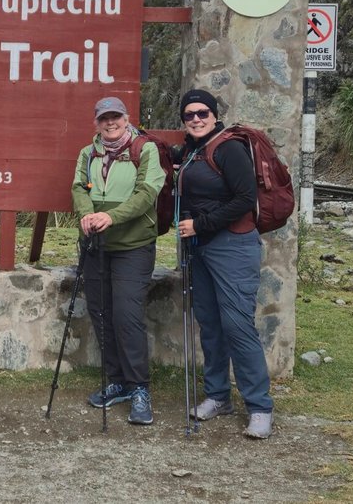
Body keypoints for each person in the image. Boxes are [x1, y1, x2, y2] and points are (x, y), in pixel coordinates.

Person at [174, 89, 275, 439]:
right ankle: (218, 396)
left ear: (215, 115)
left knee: (237, 326)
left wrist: (199, 224)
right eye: (189, 115)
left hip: (232, 245)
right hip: (199, 249)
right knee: (211, 325)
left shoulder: (229, 148)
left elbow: (245, 199)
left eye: (203, 113)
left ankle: (259, 406)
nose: (197, 119)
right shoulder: (192, 150)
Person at [71, 96, 165, 425]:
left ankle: (139, 387)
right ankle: (118, 382)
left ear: (126, 119)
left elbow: (146, 194)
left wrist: (111, 217)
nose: (110, 123)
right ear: (96, 122)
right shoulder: (88, 153)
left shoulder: (145, 150)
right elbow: (80, 187)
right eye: (103, 118)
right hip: (96, 245)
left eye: (116, 117)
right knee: (101, 313)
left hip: (133, 245)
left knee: (126, 315)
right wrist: (86, 215)